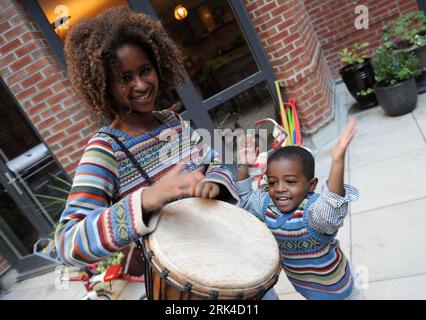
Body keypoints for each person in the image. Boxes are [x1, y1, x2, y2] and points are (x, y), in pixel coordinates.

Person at [54, 7, 240, 273]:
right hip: (187, 278)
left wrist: (214, 183)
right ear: (102, 85)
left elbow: (214, 164)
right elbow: (67, 243)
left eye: (145, 70)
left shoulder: (173, 123)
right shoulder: (105, 151)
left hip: (227, 250)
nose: (141, 85)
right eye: (125, 78)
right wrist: (145, 200)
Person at [236, 119, 365, 300]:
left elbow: (331, 206)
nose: (279, 188)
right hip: (307, 289)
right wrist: (244, 166)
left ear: (311, 185)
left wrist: (337, 162)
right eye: (272, 182)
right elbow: (245, 198)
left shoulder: (311, 213)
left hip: (339, 291)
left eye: (290, 181)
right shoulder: (267, 206)